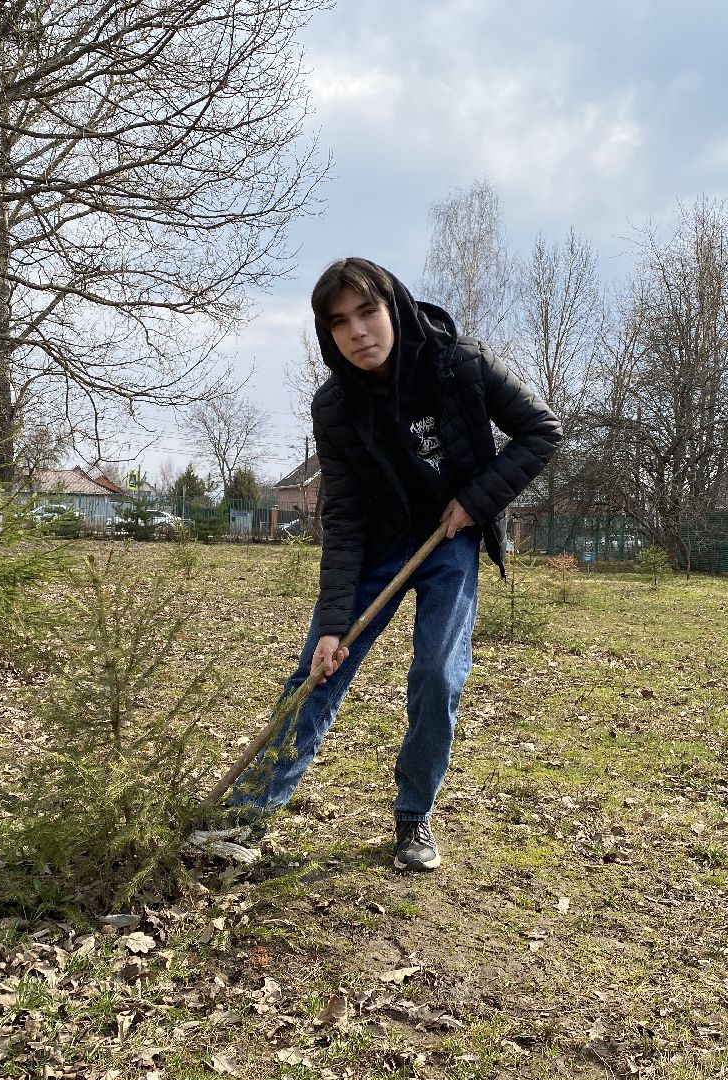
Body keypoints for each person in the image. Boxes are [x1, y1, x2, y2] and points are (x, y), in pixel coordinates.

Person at [229, 257, 561, 871]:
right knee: (317, 671)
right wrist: (333, 623)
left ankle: (414, 818)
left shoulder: (461, 362)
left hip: (449, 539)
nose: (358, 332)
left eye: (367, 312)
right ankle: (248, 814)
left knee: (438, 676)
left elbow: (541, 430)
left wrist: (476, 501)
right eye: (340, 323)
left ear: (395, 308)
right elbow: (346, 516)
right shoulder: (334, 407)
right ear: (328, 335)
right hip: (377, 548)